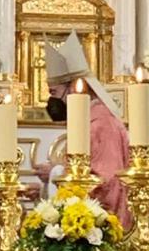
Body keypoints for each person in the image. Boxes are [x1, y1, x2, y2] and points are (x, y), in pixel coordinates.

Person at [41, 32, 130, 227]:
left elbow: (106, 181)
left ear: (74, 87)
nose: (52, 101)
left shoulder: (102, 123)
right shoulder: (90, 120)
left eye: (54, 92)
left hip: (101, 229)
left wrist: (56, 174)